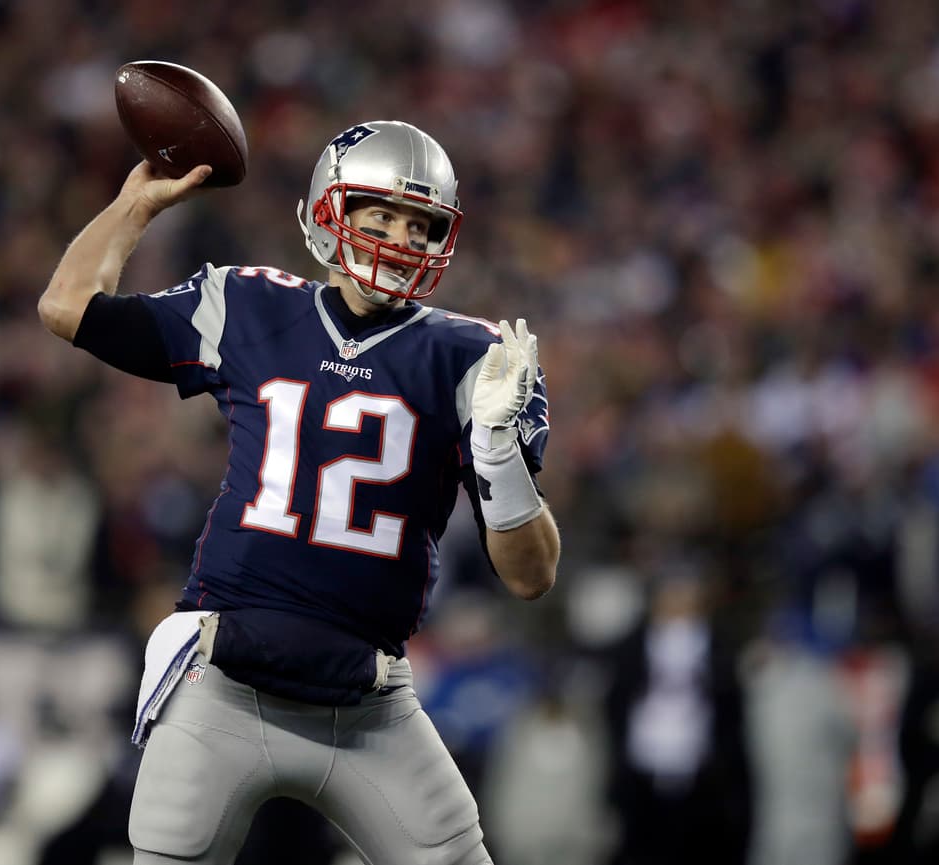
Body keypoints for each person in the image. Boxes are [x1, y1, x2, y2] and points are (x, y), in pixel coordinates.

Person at [37, 119, 560, 864]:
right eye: (378, 213)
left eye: (420, 223)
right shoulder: (248, 303)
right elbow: (67, 306)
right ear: (329, 210)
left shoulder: (474, 356)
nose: (399, 236)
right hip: (222, 684)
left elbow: (531, 575)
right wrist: (137, 208)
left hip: (370, 706)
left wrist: (498, 453)